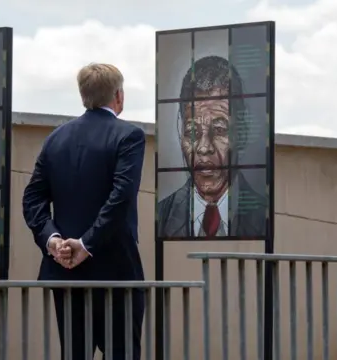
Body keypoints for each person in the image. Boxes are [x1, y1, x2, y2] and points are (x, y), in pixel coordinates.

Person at [22, 63, 145, 359]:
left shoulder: (55, 139)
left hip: (65, 271)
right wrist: (86, 244)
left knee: (74, 353)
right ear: (119, 96)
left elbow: (32, 198)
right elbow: (121, 198)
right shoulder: (129, 136)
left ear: (82, 96)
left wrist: (54, 241)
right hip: (116, 271)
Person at [157, 55, 267, 239]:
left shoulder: (264, 217)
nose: (204, 148)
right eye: (192, 132)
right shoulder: (162, 216)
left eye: (219, 130)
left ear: (241, 133)